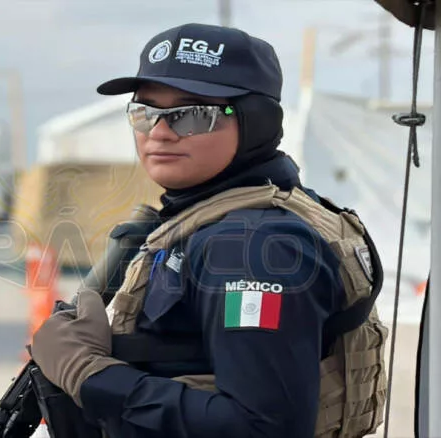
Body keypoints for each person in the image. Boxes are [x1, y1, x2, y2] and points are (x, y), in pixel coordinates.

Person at [29, 23, 388, 438]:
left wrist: (89, 374)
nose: (159, 133)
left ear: (256, 122)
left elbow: (262, 429)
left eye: (193, 115)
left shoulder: (252, 244)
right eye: (145, 113)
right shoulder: (222, 215)